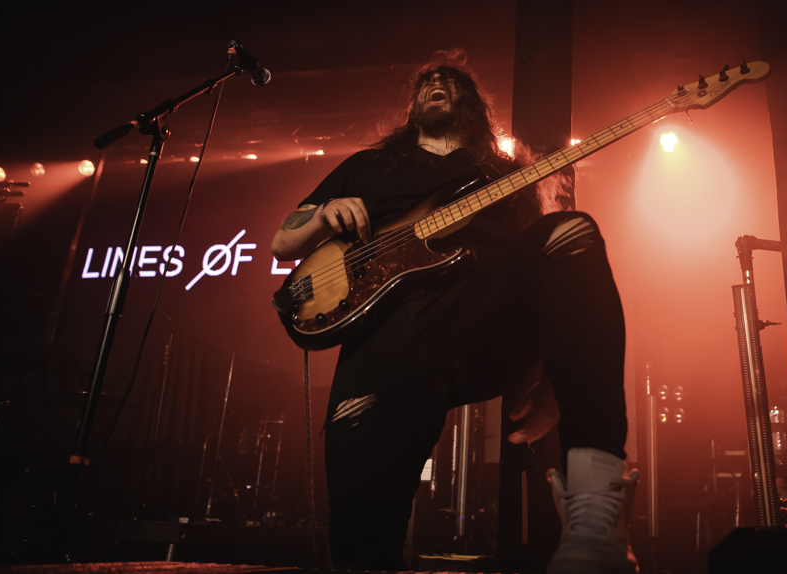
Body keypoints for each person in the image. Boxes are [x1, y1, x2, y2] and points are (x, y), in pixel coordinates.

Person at [271, 51, 638, 573]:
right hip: (384, 341)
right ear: (414, 104)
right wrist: (324, 216)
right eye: (427, 81)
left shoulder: (501, 176)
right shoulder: (369, 166)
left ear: (475, 107)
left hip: (471, 318)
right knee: (360, 548)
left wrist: (551, 384)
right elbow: (283, 241)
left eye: (451, 81)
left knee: (570, 231)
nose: (437, 82)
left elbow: (540, 282)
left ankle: (596, 505)